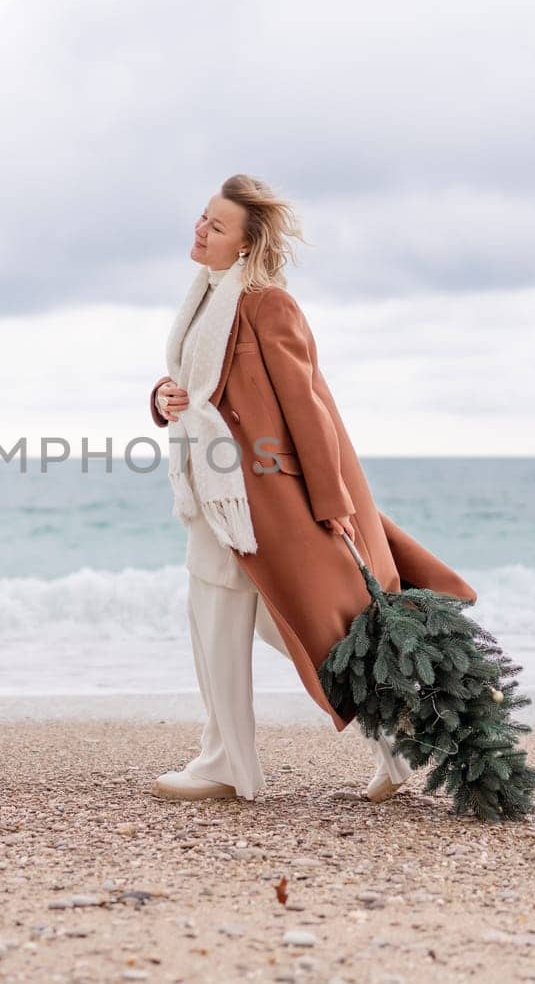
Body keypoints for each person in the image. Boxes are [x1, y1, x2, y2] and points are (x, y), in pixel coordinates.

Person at [148, 173, 419, 804]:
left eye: (216, 225)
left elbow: (309, 407)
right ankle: (227, 761)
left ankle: (392, 746)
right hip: (213, 492)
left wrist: (333, 507)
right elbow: (190, 388)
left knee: (301, 630)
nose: (200, 229)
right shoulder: (203, 297)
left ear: (245, 244)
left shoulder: (267, 304)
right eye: (202, 218)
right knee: (215, 619)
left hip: (263, 500)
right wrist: (162, 401)